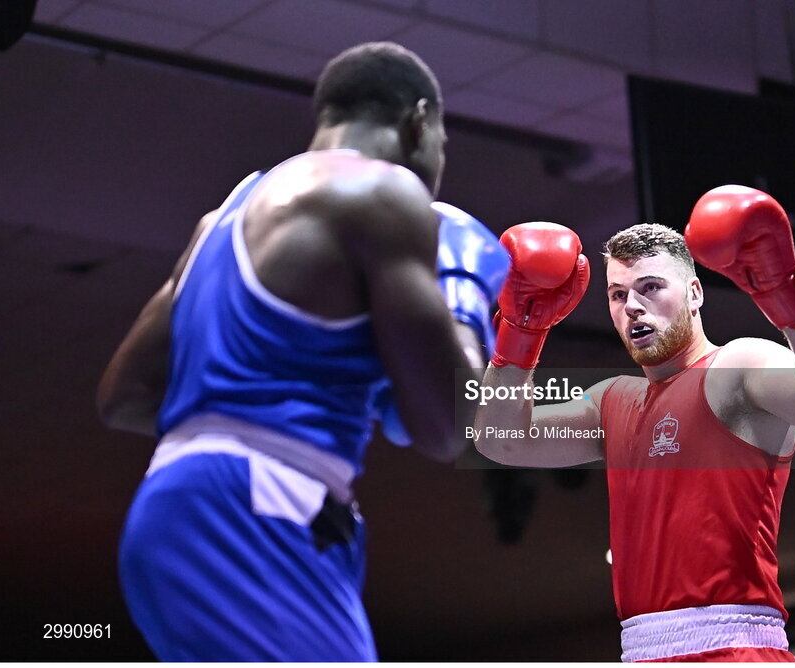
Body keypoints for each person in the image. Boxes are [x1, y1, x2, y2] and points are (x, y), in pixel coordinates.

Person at [96, 42, 506, 661]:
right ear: (418, 122)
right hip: (253, 512)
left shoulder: (223, 218)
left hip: (173, 505)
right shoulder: (384, 194)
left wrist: (288, 395)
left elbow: (124, 398)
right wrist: (464, 305)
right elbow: (451, 427)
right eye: (443, 143)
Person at [474, 185, 795, 662]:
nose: (633, 307)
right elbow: (501, 441)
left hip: (734, 649)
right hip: (641, 650)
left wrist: (787, 295)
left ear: (695, 292)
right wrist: (519, 333)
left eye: (650, 287)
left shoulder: (735, 368)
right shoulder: (612, 400)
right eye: (618, 295)